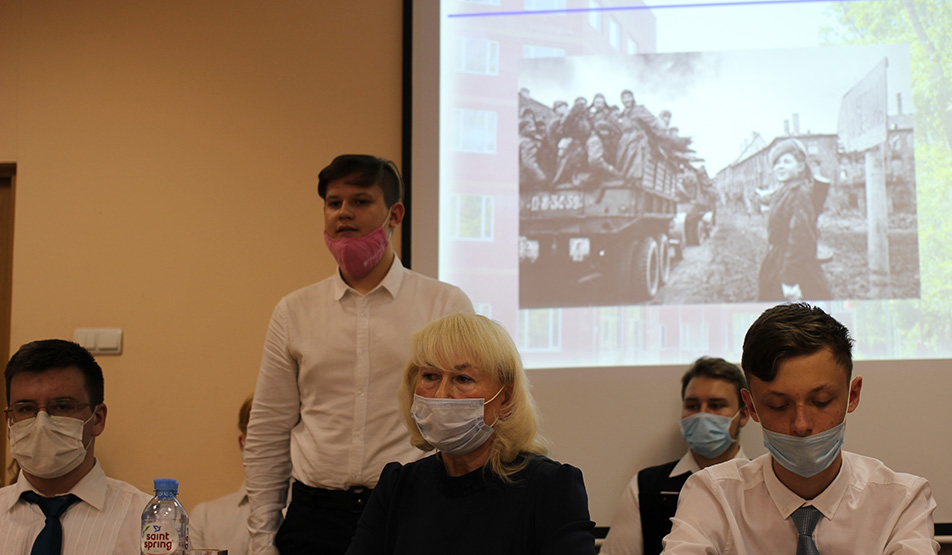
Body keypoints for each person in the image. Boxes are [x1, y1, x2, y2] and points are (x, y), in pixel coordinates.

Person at [244, 154, 474, 555]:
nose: (343, 213)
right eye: (334, 203)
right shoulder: (294, 311)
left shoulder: (444, 304)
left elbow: (467, 421)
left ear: (395, 214)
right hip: (314, 518)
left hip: (411, 509)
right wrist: (262, 540)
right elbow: (268, 430)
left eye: (360, 201)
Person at [662, 303, 938, 554]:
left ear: (852, 396)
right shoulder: (714, 495)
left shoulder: (901, 500)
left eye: (821, 401)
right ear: (751, 406)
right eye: (778, 405)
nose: (801, 425)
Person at [345, 312, 596, 555]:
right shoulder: (397, 487)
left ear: (505, 398)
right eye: (430, 376)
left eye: (463, 379)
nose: (441, 394)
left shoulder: (550, 488)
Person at [0, 339, 150, 555]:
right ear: (9, 422)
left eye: (62, 406)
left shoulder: (147, 522)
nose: (41, 423)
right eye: (26, 408)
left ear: (97, 418)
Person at [601, 357, 749, 555]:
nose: (702, 415)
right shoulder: (646, 486)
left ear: (744, 414)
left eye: (716, 405)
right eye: (692, 406)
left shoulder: (764, 483)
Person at [757, 138, 830, 302]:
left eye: (786, 162)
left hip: (793, 266)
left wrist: (789, 280)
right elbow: (774, 198)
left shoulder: (799, 194)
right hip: (778, 262)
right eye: (777, 163)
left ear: (800, 166)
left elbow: (800, 239)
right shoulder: (785, 190)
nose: (780, 166)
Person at [191, 395, 255, 555]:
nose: (268, 444)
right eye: (257, 433)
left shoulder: (309, 517)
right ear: (242, 442)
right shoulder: (205, 517)